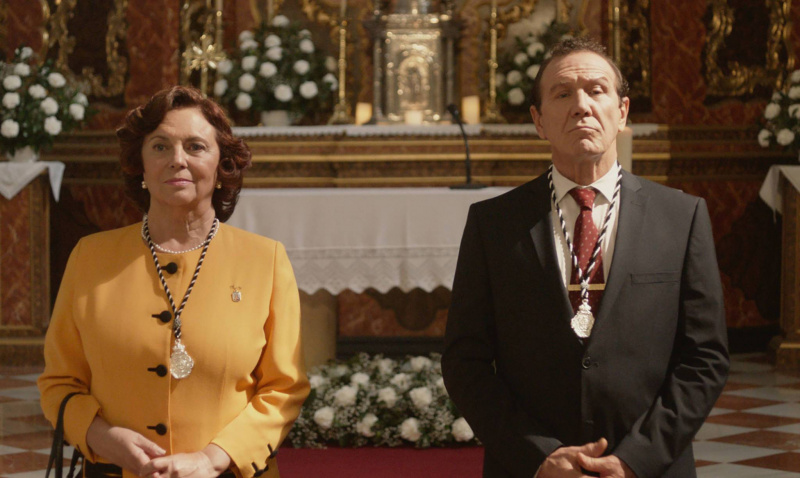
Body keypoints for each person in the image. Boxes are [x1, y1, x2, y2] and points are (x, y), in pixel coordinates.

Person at [442, 38, 729, 478]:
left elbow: (705, 358)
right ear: (538, 121)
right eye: (562, 94)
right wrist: (537, 455)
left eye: (597, 90)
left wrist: (635, 459)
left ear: (623, 111)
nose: (581, 106)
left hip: (651, 468)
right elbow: (465, 361)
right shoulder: (493, 224)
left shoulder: (681, 217)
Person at [38, 86, 309, 478]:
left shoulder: (265, 261)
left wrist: (211, 458)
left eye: (195, 147)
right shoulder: (90, 258)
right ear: (141, 166)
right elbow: (58, 384)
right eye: (160, 146)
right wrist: (100, 436)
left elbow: (285, 388)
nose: (177, 160)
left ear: (222, 165)